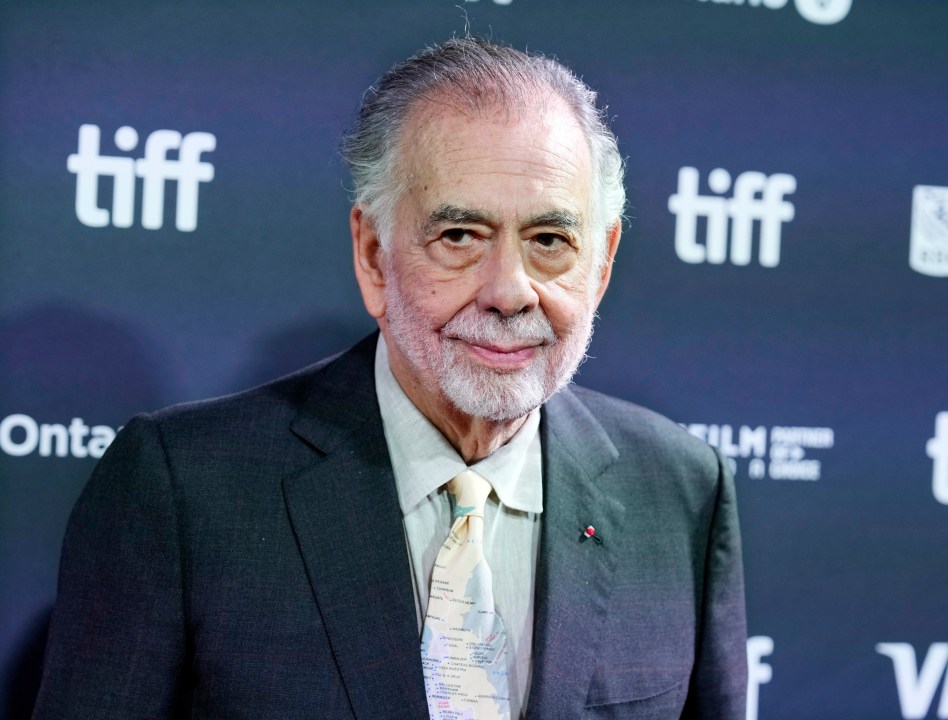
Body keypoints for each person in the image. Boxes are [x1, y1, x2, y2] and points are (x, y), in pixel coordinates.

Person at [33, 37, 748, 719]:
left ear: (602, 263)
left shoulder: (681, 492)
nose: (509, 291)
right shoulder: (185, 490)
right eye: (459, 236)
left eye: (549, 240)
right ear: (374, 257)